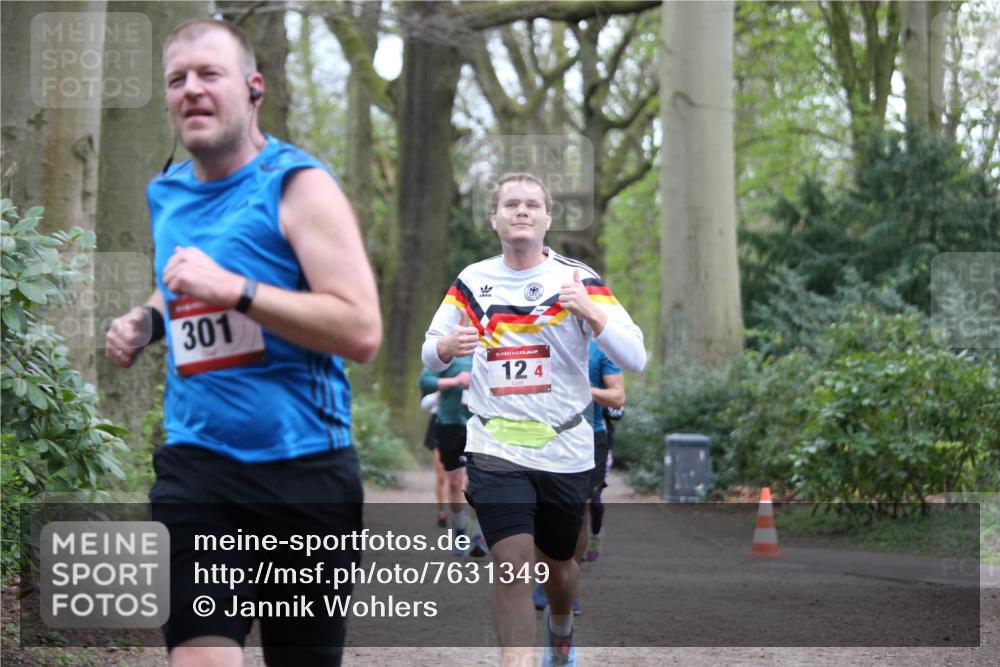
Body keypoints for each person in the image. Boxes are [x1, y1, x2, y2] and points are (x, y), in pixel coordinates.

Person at [104, 19, 381, 667]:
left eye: (209, 75)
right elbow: (177, 288)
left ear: (253, 88)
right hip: (197, 469)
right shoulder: (165, 192)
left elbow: (360, 329)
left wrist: (237, 290)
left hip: (306, 472)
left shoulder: (299, 186)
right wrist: (146, 323)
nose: (191, 90)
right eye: (177, 80)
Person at [422, 173, 645, 666]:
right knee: (513, 566)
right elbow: (430, 354)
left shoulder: (578, 279)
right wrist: (443, 347)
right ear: (494, 218)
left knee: (560, 568)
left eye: (531, 205)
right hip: (495, 447)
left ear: (547, 218)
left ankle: (561, 630)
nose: (521, 212)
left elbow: (635, 357)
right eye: (511, 204)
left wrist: (591, 312)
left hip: (565, 449)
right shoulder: (472, 282)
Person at [533, 339, 623, 613]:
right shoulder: (540, 338)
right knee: (541, 507)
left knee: (580, 508)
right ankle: (545, 580)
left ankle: (570, 582)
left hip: (590, 436)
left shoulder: (603, 347)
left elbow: (618, 397)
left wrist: (587, 390)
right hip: (544, 434)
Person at [419, 361, 487, 556]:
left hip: (481, 424)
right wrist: (456, 380)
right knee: (455, 482)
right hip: (450, 425)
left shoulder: (488, 344)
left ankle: (478, 535)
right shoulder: (449, 350)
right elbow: (425, 381)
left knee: (479, 480)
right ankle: (459, 528)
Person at [420, 391, 450, 528]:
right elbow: (425, 403)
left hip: (461, 421)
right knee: (441, 473)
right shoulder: (436, 376)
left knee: (460, 476)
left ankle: (460, 512)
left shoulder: (467, 372)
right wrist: (440, 393)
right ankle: (442, 511)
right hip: (438, 423)